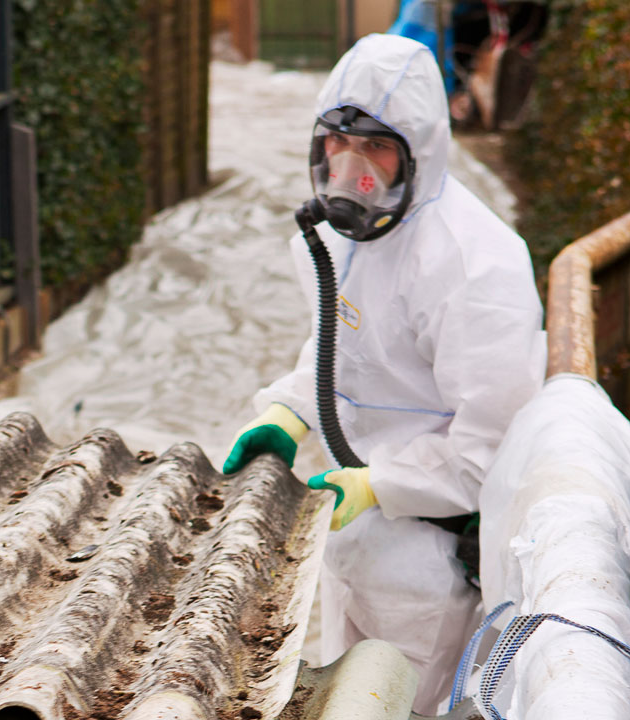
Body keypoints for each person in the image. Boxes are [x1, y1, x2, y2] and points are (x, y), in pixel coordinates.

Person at [222, 34, 545, 713]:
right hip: (352, 540)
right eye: (338, 142)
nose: (352, 167)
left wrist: (381, 484)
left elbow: (493, 448)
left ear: (418, 152)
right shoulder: (344, 241)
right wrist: (288, 412)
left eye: (376, 146)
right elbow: (342, 351)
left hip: (430, 568)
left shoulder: (474, 263)